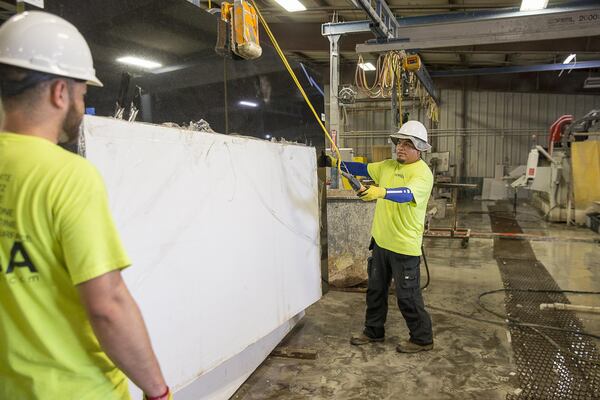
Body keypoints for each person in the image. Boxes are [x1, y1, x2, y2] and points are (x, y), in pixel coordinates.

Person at [0, 11, 171, 400]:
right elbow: (108, 305)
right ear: (60, 92)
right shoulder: (67, 177)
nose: (80, 103)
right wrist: (157, 391)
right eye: (82, 93)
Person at [323, 120, 434, 353]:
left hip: (404, 247)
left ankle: (422, 339)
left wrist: (378, 191)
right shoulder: (387, 166)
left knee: (407, 297)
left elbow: (406, 194)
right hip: (381, 242)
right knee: (375, 291)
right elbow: (362, 169)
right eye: (399, 142)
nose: (400, 148)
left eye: (407, 144)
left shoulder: (423, 174)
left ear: (420, 148)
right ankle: (373, 331)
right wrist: (334, 163)